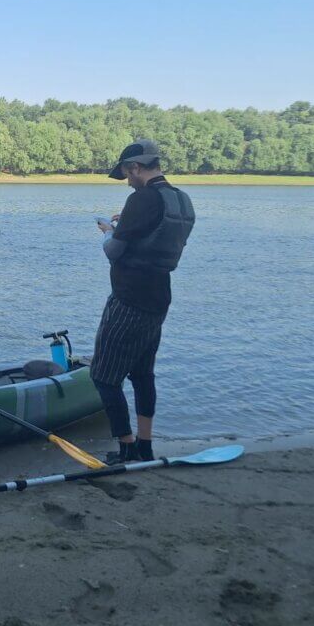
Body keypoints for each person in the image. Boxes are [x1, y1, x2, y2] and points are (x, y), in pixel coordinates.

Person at [91, 139, 195, 464]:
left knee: (104, 377)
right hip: (159, 299)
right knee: (142, 374)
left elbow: (113, 251)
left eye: (126, 174)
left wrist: (109, 230)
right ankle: (145, 446)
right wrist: (126, 223)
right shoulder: (181, 199)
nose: (128, 181)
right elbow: (156, 236)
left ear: (135, 167)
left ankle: (125, 448)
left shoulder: (141, 199)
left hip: (128, 299)